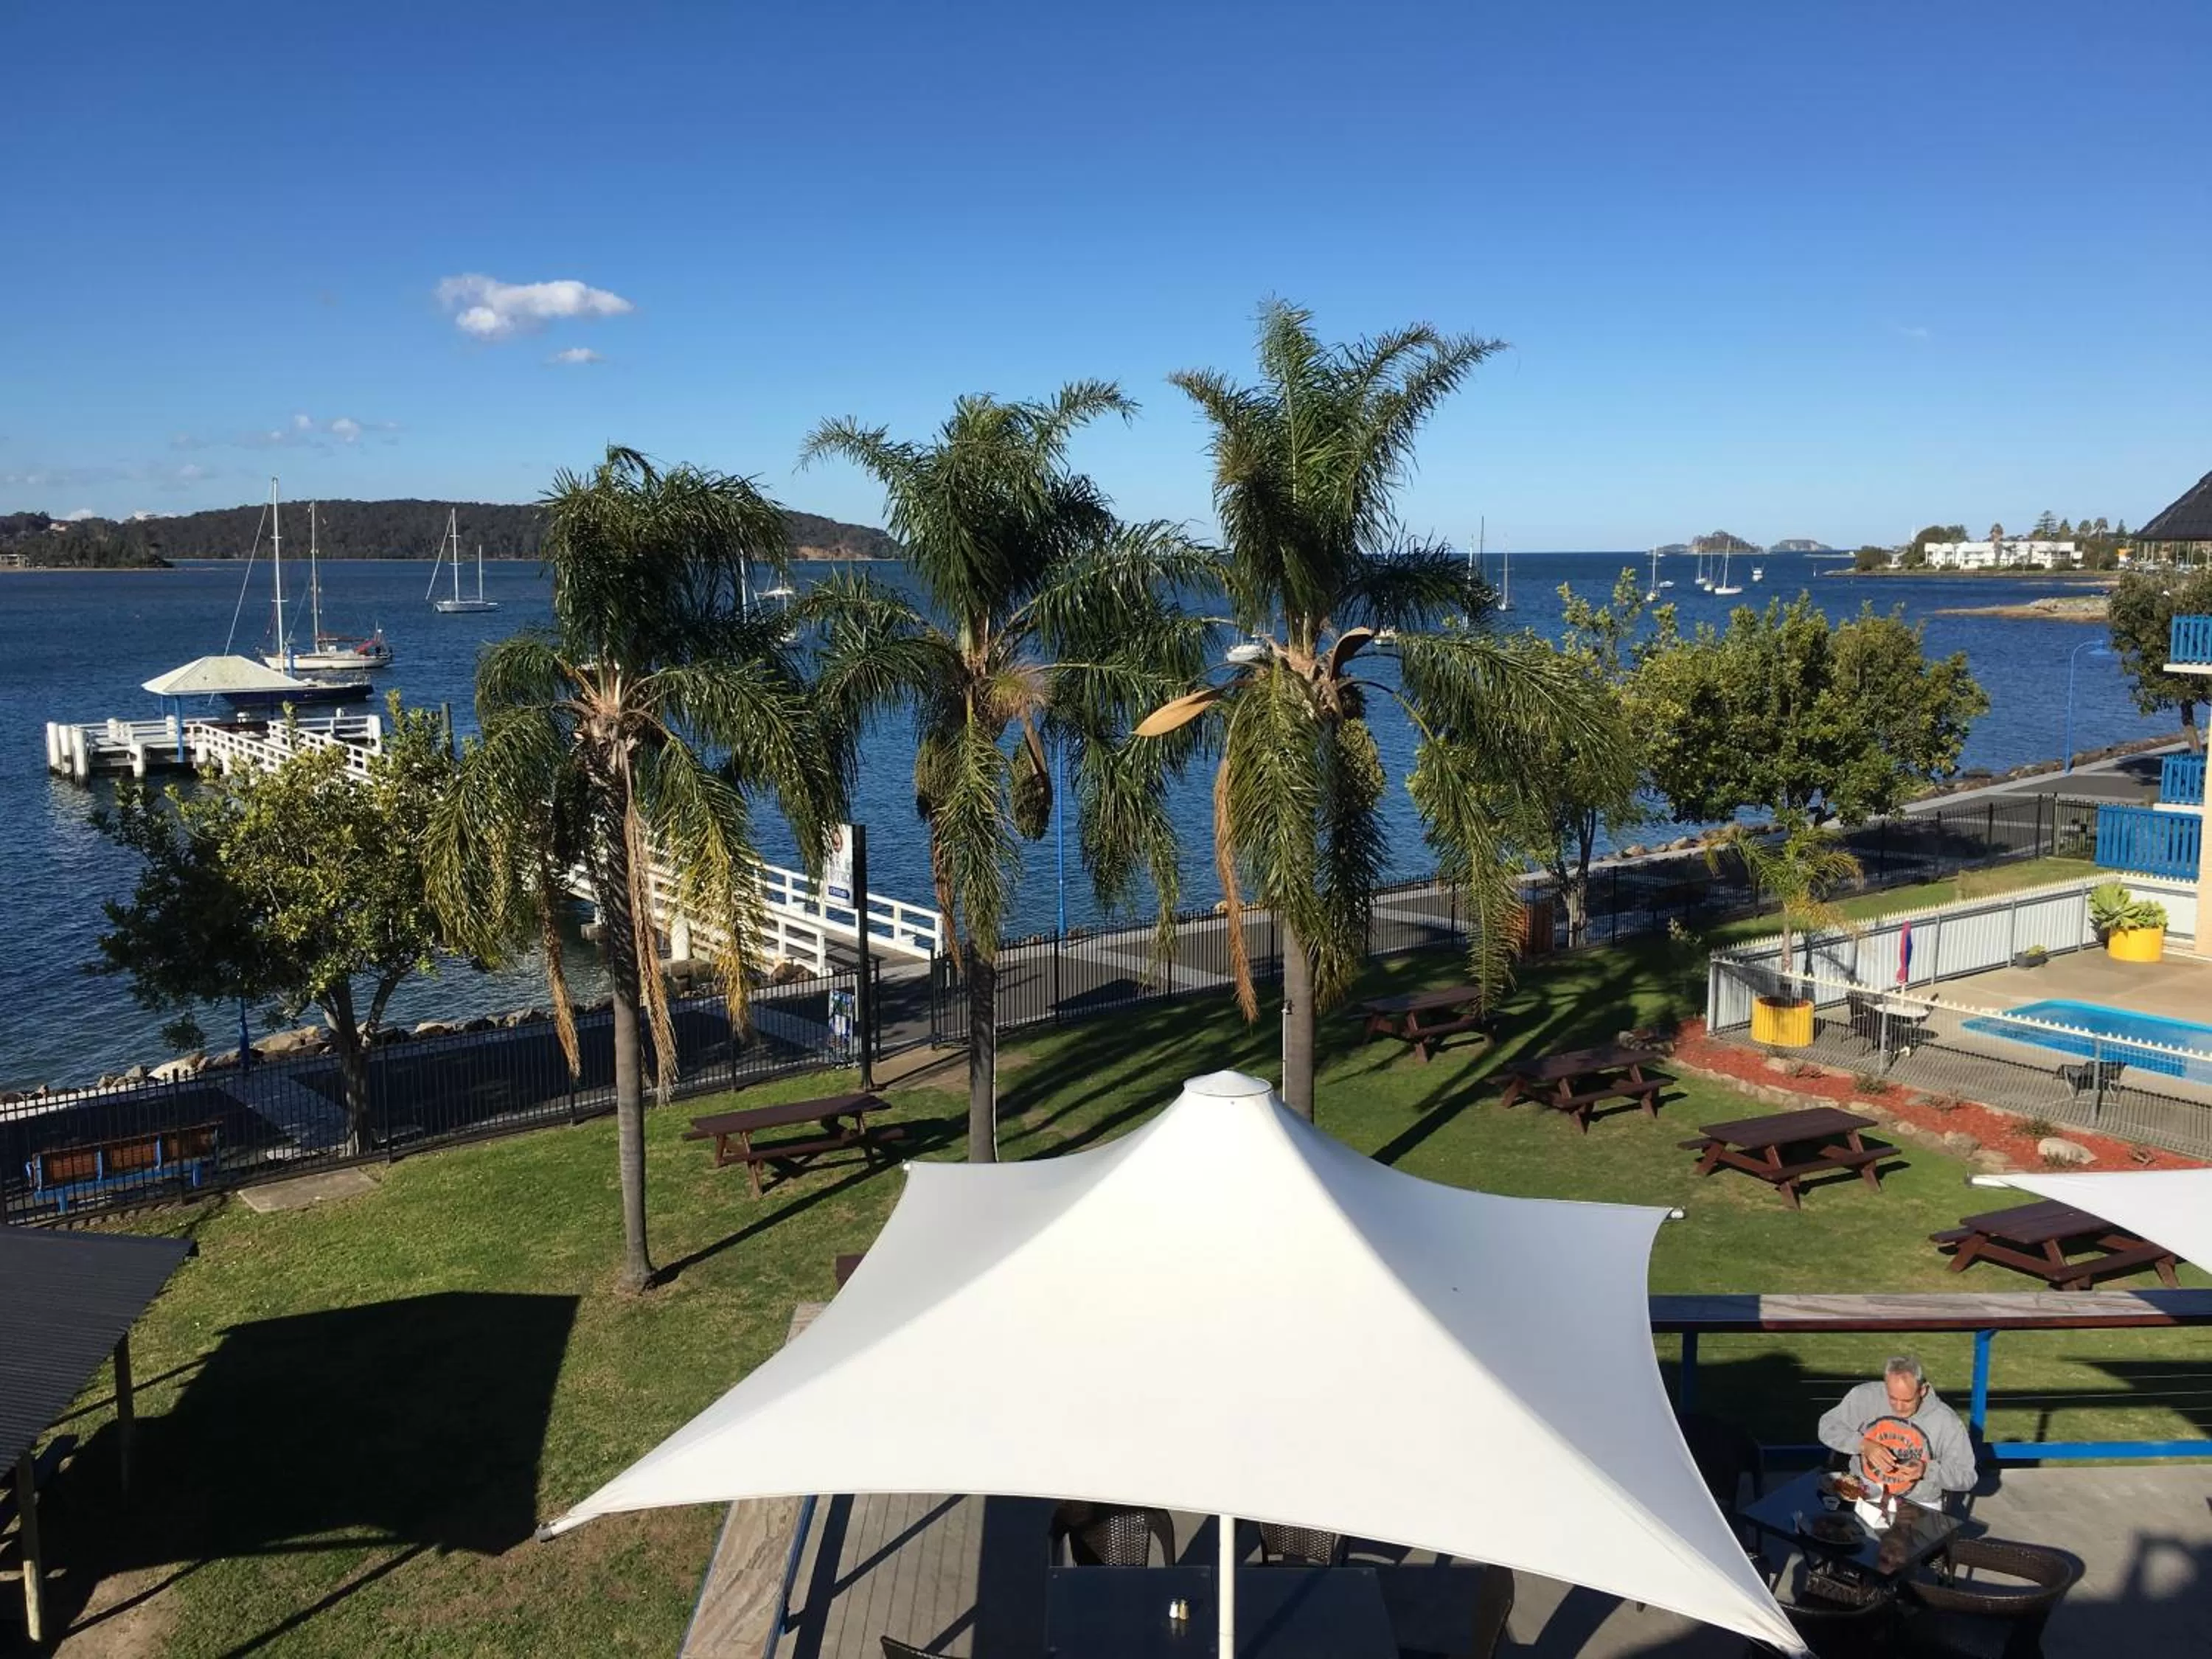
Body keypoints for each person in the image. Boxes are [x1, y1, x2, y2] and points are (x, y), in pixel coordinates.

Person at [1818, 1354, 1977, 1508]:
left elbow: (1967, 1477)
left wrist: (1926, 1470)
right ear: (1885, 1385)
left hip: (1919, 1503)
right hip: (1862, 1492)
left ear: (1923, 1391)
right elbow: (1827, 1427)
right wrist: (1863, 1445)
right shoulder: (1865, 1396)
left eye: (1907, 1401)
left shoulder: (1946, 1421)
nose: (1899, 1407)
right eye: (1892, 1398)